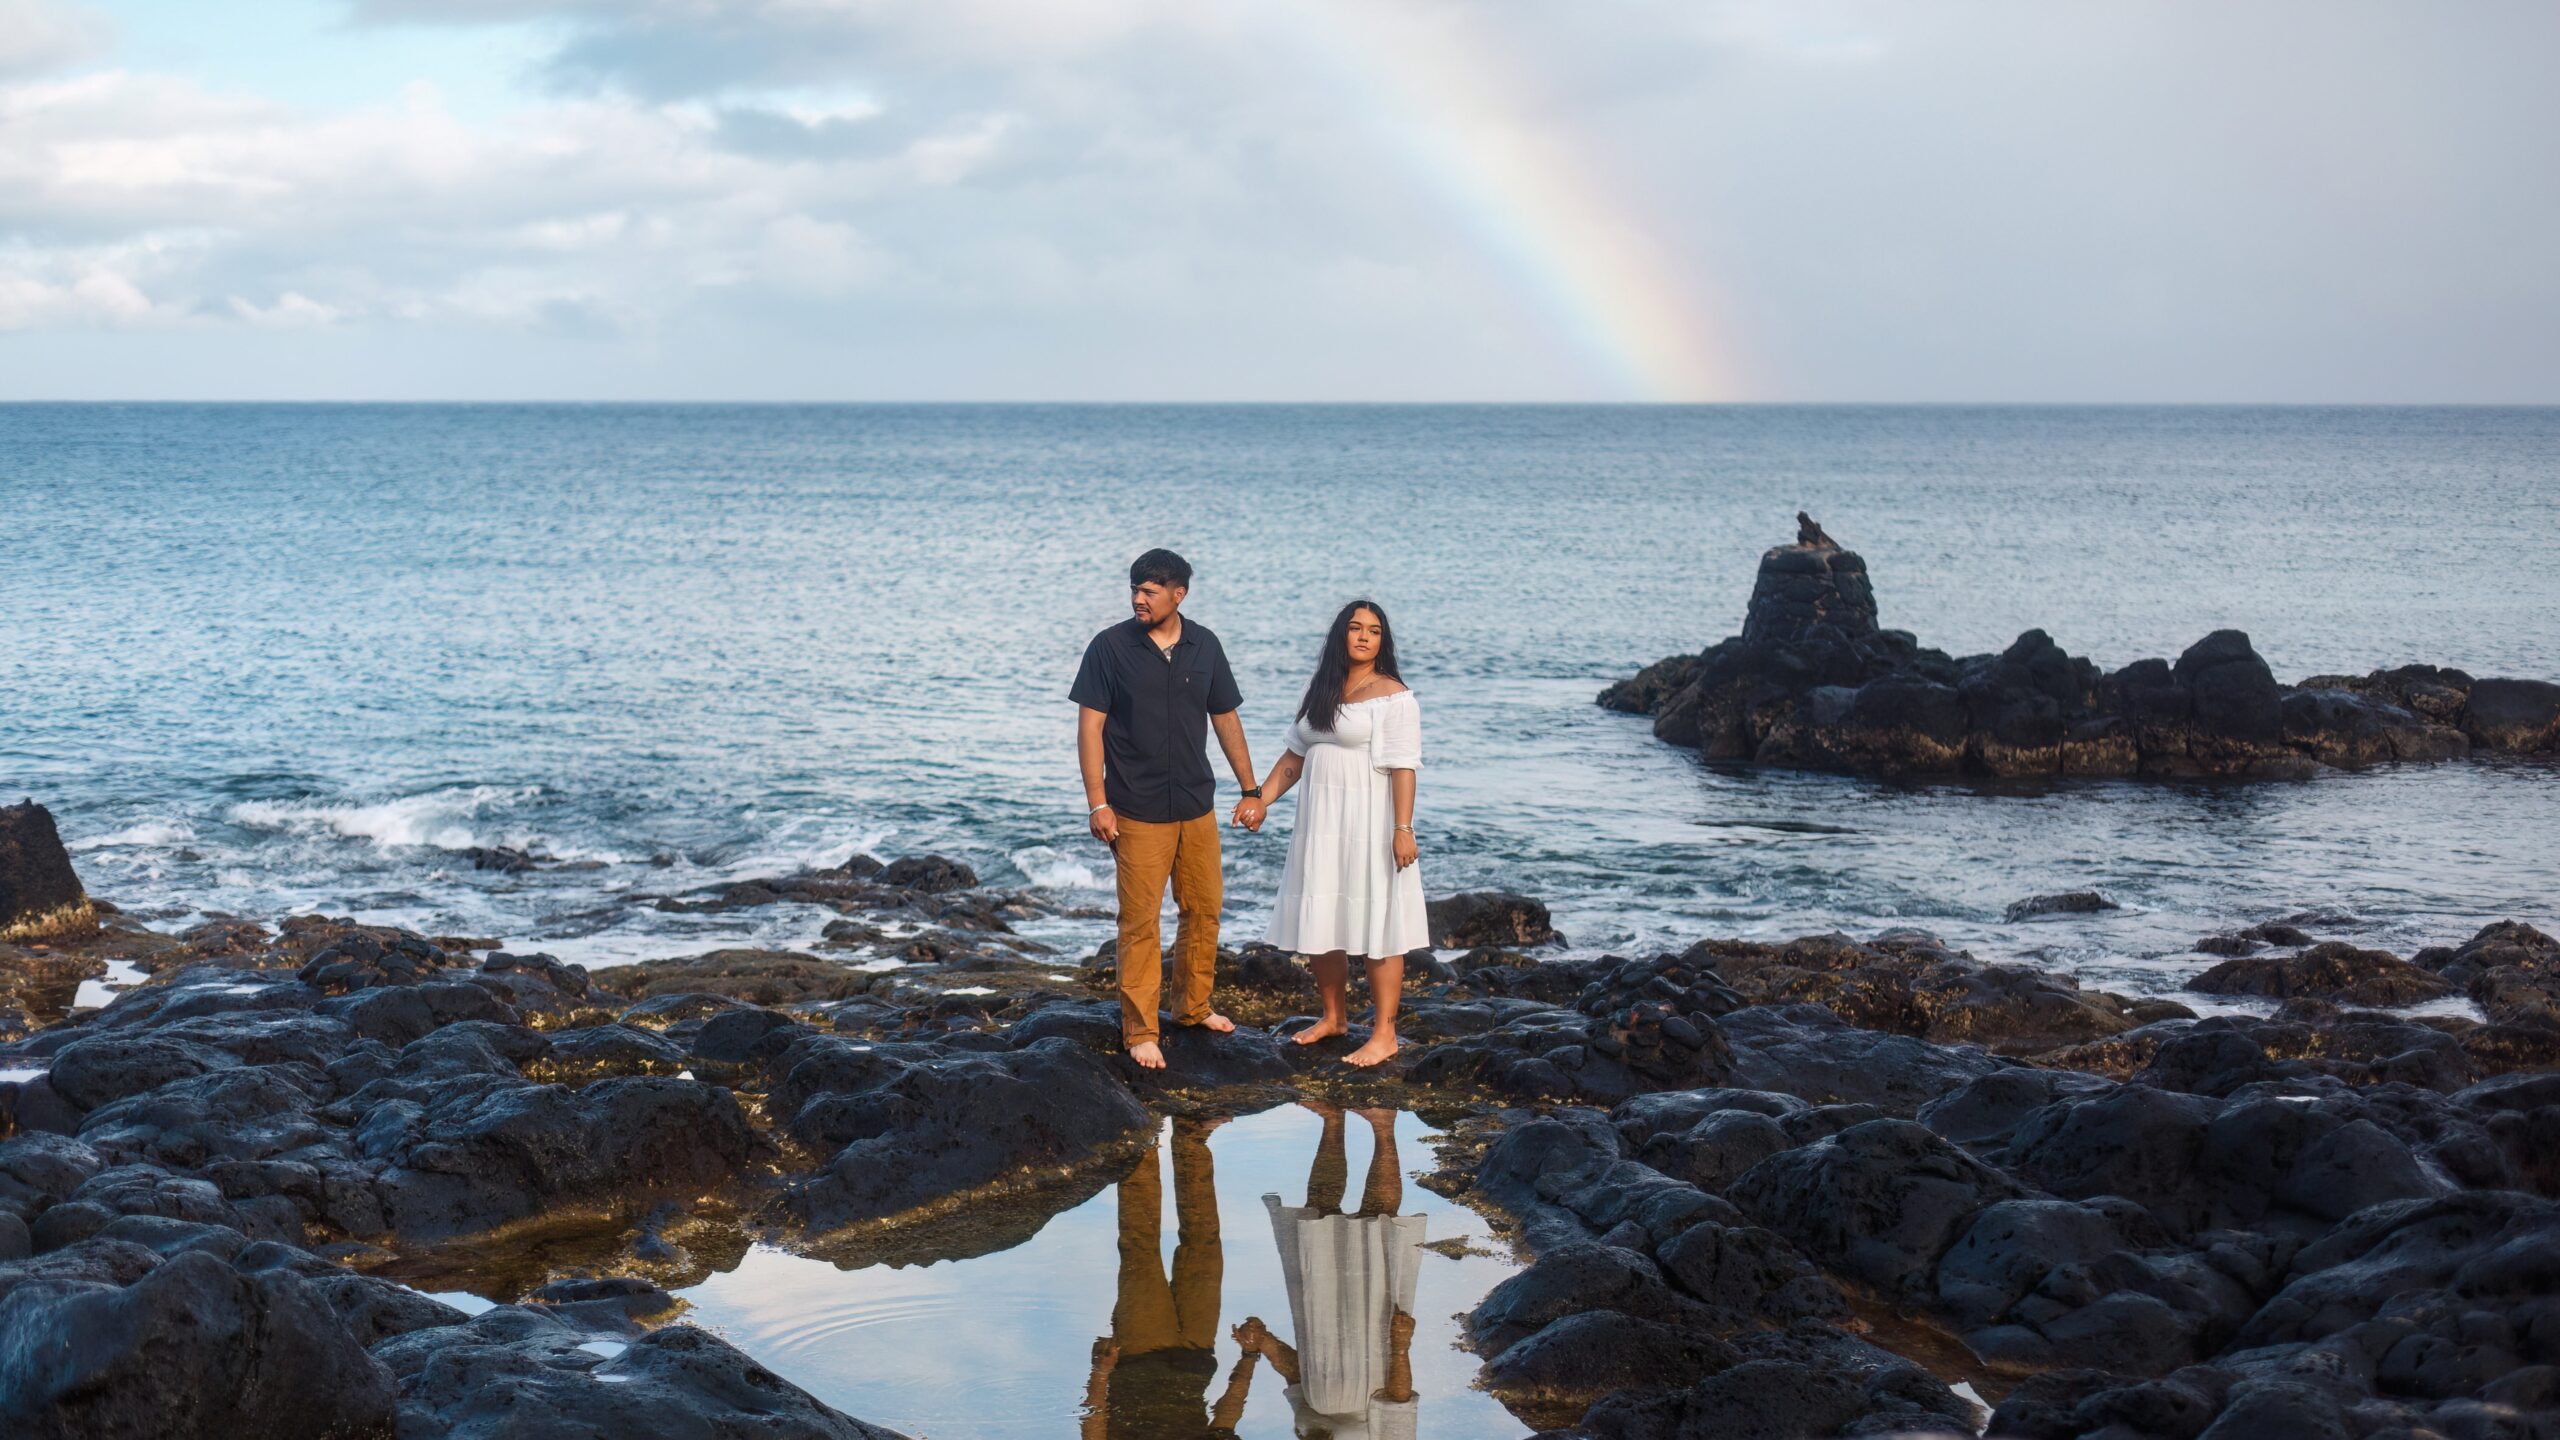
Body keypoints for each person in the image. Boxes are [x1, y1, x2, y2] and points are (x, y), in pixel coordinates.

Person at [1072, 548, 1261, 1070]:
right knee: (1139, 923)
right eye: (1135, 588)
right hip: (1135, 808)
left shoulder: (1205, 645)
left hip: (1197, 805)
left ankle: (1192, 1009)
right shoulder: (1109, 648)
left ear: (1179, 594)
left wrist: (1251, 789)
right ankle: (1140, 1031)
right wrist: (1098, 803)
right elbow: (1090, 729)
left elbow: (1225, 718)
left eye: (1150, 590)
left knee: (1203, 911)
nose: (1138, 598)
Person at [1238, 600, 1425, 1068]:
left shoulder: (1394, 695)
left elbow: (1404, 767)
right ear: (1340, 634)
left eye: (1375, 631)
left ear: (1383, 641)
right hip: (1320, 826)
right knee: (1323, 918)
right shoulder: (1320, 688)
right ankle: (1335, 1017)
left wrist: (1403, 828)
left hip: (1370, 822)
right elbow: (1293, 758)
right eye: (1356, 628)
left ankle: (1384, 1034)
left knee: (1381, 923)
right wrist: (1259, 799)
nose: (1364, 636)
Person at [1231, 1101, 1425, 1440]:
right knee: (1377, 1221)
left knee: (1318, 1215)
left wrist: (1264, 1343)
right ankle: (1384, 1125)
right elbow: (1399, 1402)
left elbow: (1297, 1377)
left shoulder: (1308, 1431)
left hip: (1319, 1325)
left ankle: (1332, 1119)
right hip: (1374, 1346)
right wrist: (1400, 1345)